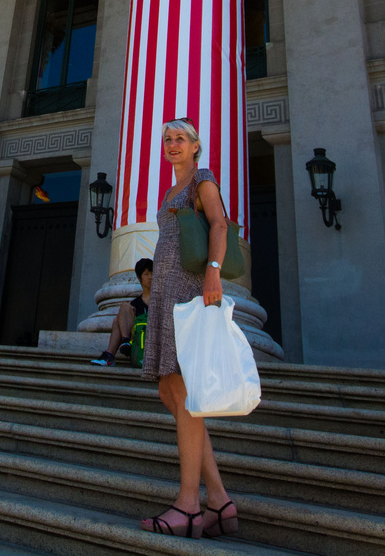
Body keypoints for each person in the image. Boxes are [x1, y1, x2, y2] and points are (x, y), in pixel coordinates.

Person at [137, 118, 238, 540]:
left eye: (180, 139)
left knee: (184, 393)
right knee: (169, 391)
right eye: (167, 140)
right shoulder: (171, 190)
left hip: (189, 294)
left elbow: (219, 224)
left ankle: (189, 505)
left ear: (196, 147)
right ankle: (220, 499)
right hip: (164, 296)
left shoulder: (202, 180)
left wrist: (214, 273)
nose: (172, 144)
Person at [91, 258, 154, 366]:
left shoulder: (160, 299)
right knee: (123, 309)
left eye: (152, 273)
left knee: (117, 321)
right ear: (139, 277)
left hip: (154, 343)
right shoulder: (135, 304)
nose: (150, 277)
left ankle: (112, 353)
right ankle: (124, 342)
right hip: (139, 345)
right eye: (146, 274)